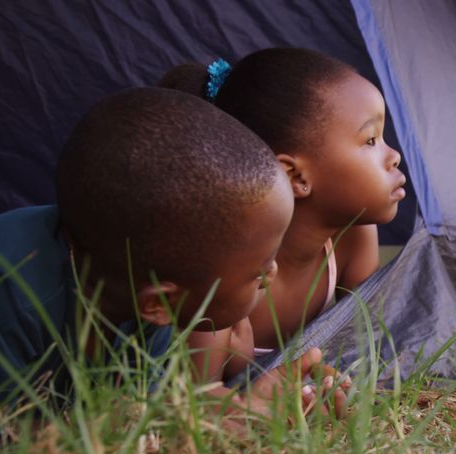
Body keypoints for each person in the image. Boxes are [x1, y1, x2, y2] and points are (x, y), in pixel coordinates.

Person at [0, 87, 317, 417]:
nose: (271, 273)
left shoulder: (138, 287)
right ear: (159, 302)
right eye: (258, 267)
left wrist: (241, 411)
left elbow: (138, 411)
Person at [160, 49, 406, 387]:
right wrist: (244, 370)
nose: (394, 156)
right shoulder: (226, 267)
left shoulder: (353, 235)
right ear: (295, 176)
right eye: (371, 140)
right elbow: (203, 398)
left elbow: (370, 344)